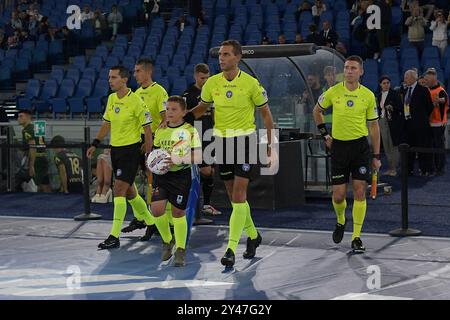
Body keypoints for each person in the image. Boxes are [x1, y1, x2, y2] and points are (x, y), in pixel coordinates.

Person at [185, 40, 275, 267]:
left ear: (237, 57)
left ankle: (231, 249)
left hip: (245, 141)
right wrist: (180, 119)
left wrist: (269, 144)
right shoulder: (212, 83)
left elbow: (266, 115)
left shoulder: (252, 84)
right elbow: (201, 109)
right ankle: (254, 235)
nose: (221, 58)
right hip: (222, 143)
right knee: (233, 197)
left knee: (238, 196)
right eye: (220, 55)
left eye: (226, 55)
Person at [312, 55, 381, 253]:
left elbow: (374, 126)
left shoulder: (368, 95)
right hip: (339, 147)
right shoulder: (333, 92)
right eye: (346, 67)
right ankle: (341, 220)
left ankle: (357, 237)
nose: (349, 71)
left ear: (361, 71)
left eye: (353, 68)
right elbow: (317, 111)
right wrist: (326, 136)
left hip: (360, 148)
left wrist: (376, 156)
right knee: (339, 196)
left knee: (360, 191)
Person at [86, 65, 154, 250]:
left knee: (118, 189)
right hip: (115, 150)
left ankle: (114, 236)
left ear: (124, 80)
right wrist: (95, 143)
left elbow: (147, 129)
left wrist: (148, 154)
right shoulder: (111, 99)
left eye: (114, 77)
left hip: (131, 151)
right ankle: (150, 221)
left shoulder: (137, 101)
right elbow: (106, 123)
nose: (110, 80)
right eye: (109, 77)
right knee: (130, 191)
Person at [151, 96, 202, 267]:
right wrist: (152, 162)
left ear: (183, 112)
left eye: (174, 109)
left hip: (181, 176)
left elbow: (198, 156)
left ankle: (181, 249)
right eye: (168, 109)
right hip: (162, 176)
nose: (169, 112)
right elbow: (155, 153)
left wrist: (177, 160)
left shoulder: (190, 131)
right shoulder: (160, 130)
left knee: (177, 213)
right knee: (157, 210)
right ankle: (167, 240)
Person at [121, 58, 168, 240]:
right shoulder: (136, 93)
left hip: (153, 140)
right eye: (134, 71)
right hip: (135, 139)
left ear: (148, 72)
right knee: (127, 180)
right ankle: (141, 217)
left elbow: (165, 120)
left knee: (151, 181)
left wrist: (151, 139)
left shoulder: (159, 91)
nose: (135, 74)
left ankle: (154, 222)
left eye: (138, 71)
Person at [183, 63, 221, 225]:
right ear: (195, 76)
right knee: (203, 171)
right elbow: (184, 116)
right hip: (196, 136)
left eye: (207, 78)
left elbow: (214, 113)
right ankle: (193, 207)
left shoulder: (212, 91)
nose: (205, 80)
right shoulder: (189, 94)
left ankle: (205, 205)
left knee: (210, 171)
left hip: (209, 135)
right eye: (202, 78)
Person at [401, 69, 434, 176]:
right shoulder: (406, 90)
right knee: (409, 149)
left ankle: (424, 169)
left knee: (422, 147)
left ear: (412, 78)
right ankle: (409, 169)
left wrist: (421, 118)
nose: (404, 79)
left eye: (406, 77)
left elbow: (429, 107)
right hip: (408, 124)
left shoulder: (423, 90)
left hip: (420, 125)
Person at [377, 75, 404, 176]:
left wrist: (392, 108)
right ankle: (391, 167)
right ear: (380, 85)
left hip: (393, 122)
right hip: (382, 121)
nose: (386, 85)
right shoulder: (379, 95)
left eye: (388, 83)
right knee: (386, 145)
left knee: (393, 145)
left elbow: (400, 108)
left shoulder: (395, 94)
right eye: (384, 83)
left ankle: (395, 168)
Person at [18, 109, 51, 193]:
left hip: (36, 159)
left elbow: (32, 146)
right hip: (43, 157)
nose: (19, 118)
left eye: (21, 116)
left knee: (33, 185)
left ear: (28, 117)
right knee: (45, 183)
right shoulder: (37, 127)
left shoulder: (27, 130)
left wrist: (31, 165)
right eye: (18, 116)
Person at [424, 68, 448, 176]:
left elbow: (444, 100)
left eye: (428, 80)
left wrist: (440, 101)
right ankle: (433, 167)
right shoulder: (427, 90)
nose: (427, 81)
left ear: (434, 79)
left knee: (439, 146)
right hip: (429, 123)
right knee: (432, 146)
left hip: (438, 123)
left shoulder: (441, 91)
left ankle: (440, 168)